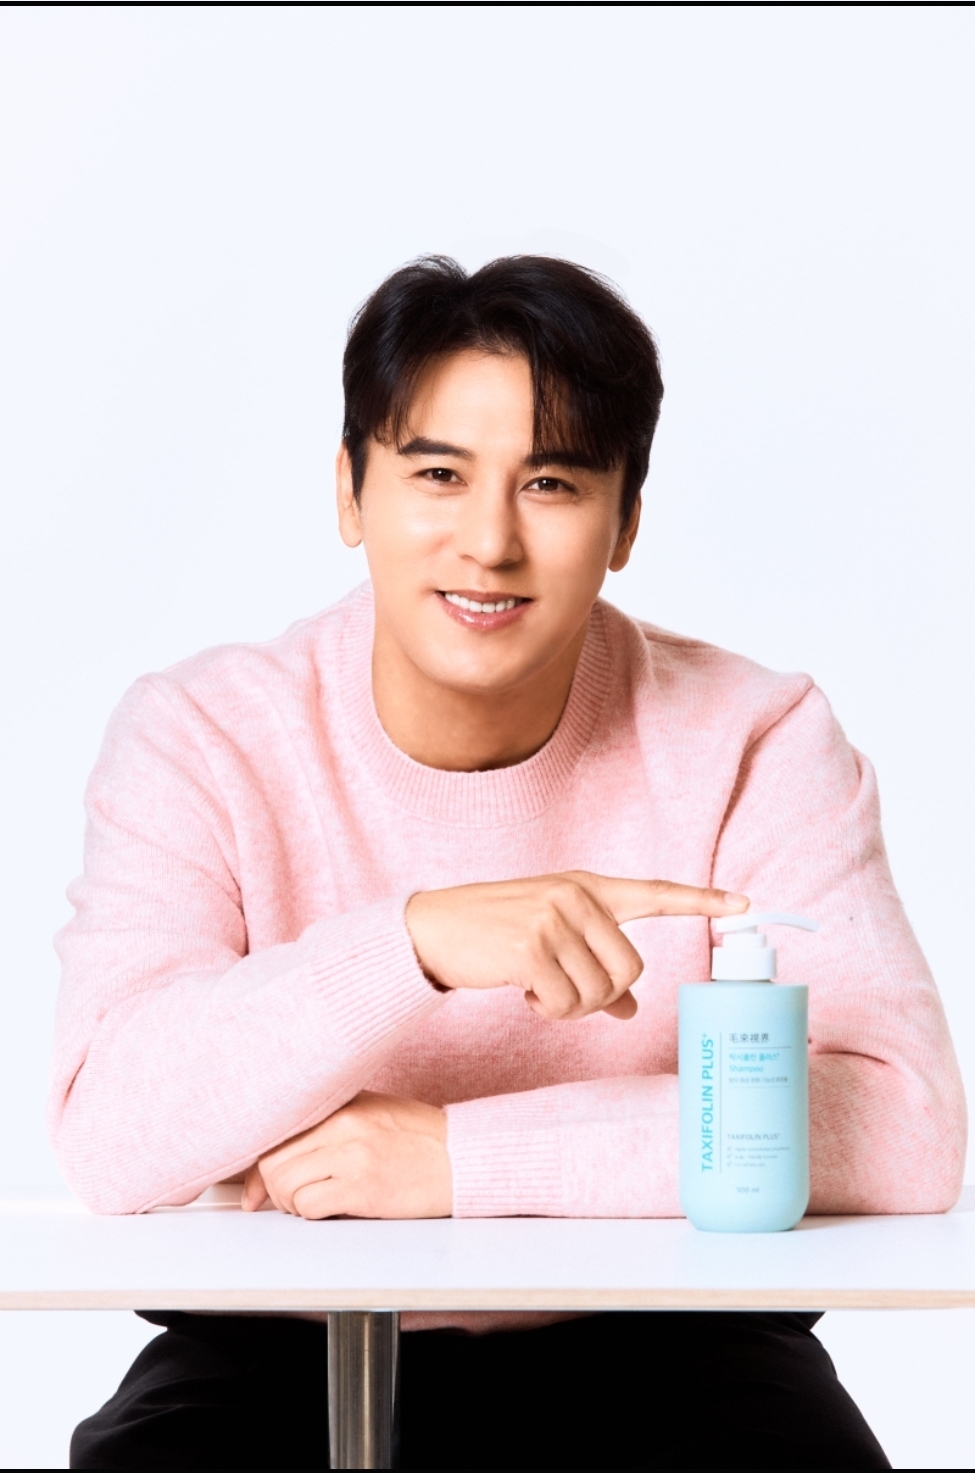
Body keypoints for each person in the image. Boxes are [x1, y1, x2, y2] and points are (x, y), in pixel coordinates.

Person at [54, 256, 964, 1469]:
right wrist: (413, 943)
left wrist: (461, 1160)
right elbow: (110, 1129)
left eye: (551, 483)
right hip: (276, 1346)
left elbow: (904, 1124)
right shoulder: (205, 735)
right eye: (437, 474)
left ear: (625, 523)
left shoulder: (754, 738)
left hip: (675, 1336)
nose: (489, 543)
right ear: (349, 492)